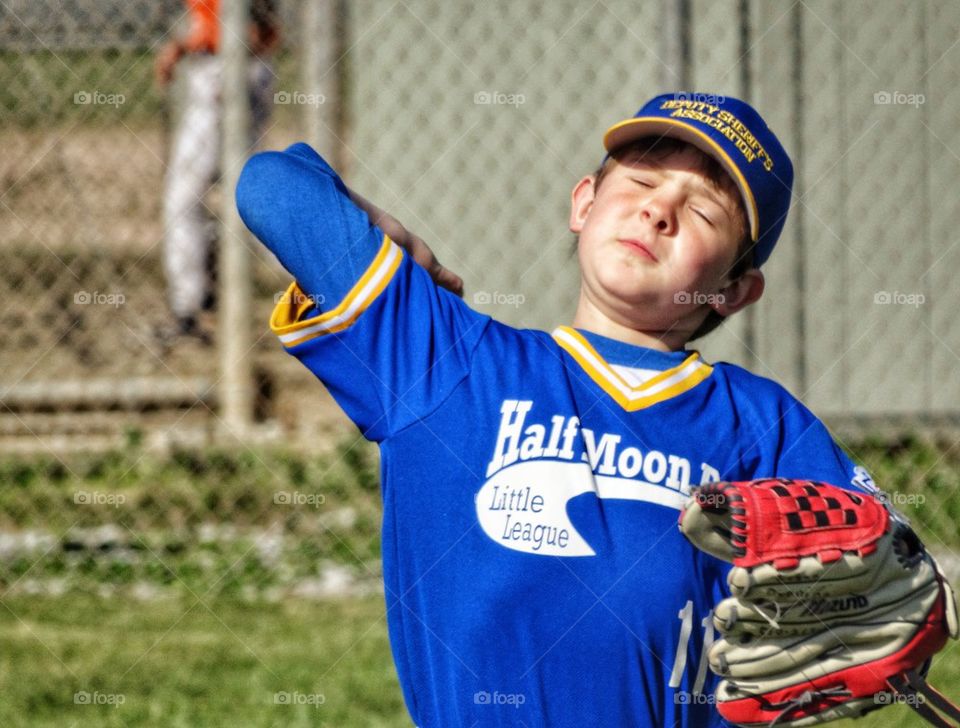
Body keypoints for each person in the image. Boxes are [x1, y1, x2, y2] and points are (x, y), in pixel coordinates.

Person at [234, 94, 882, 726]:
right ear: (584, 203)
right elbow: (274, 186)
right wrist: (391, 232)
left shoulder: (758, 425)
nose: (658, 211)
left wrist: (885, 597)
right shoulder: (447, 361)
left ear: (734, 290)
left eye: (704, 212)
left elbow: (885, 571)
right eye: (640, 182)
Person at [155, 0, 279, 342]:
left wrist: (229, 62)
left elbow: (257, 26)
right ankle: (197, 301)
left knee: (186, 200)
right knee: (240, 198)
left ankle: (189, 308)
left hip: (228, 72)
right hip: (227, 70)